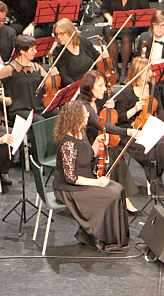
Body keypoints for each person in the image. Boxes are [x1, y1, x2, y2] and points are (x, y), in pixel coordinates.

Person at [53, 100, 129, 254]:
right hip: (70, 189)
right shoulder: (68, 144)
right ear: (75, 118)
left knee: (119, 189)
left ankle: (114, 238)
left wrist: (97, 142)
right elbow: (71, 178)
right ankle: (102, 238)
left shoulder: (81, 132)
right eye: (84, 113)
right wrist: (97, 183)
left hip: (85, 179)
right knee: (112, 194)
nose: (88, 114)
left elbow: (89, 155)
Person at [75, 70, 139, 212]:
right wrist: (127, 131)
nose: (104, 89)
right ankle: (123, 198)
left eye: (104, 85)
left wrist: (109, 106)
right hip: (85, 150)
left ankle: (123, 197)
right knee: (115, 153)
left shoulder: (97, 101)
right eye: (100, 85)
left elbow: (110, 115)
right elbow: (100, 125)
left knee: (116, 152)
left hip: (97, 143)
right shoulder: (82, 105)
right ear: (89, 87)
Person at [113, 57, 164, 198]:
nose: (150, 73)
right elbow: (119, 118)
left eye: (150, 70)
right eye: (147, 71)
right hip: (130, 130)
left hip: (149, 126)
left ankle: (157, 176)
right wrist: (134, 110)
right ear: (137, 72)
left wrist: (163, 129)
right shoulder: (126, 92)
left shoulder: (153, 87)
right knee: (149, 149)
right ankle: (155, 184)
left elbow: (159, 109)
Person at [0, 35, 56, 123]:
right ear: (22, 51)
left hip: (37, 108)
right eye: (32, 49)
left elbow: (49, 83)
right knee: (40, 121)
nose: (35, 51)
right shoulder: (10, 69)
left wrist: (53, 75)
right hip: (19, 110)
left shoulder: (37, 67)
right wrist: (2, 98)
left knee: (57, 113)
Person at [101, 0, 150, 80]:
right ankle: (115, 67)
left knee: (126, 34)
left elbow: (146, 12)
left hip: (132, 26)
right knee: (109, 33)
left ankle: (124, 69)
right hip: (114, 23)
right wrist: (109, 17)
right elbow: (104, 7)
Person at [137, 9, 164, 109]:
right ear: (152, 25)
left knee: (160, 88)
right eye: (156, 25)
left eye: (162, 25)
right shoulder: (144, 38)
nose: (159, 29)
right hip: (146, 78)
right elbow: (136, 59)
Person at [51, 18, 105, 86]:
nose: (59, 37)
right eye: (56, 34)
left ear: (70, 31)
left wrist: (103, 58)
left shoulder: (84, 42)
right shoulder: (58, 52)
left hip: (92, 83)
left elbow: (97, 58)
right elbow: (63, 76)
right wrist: (78, 87)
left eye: (62, 34)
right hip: (75, 86)